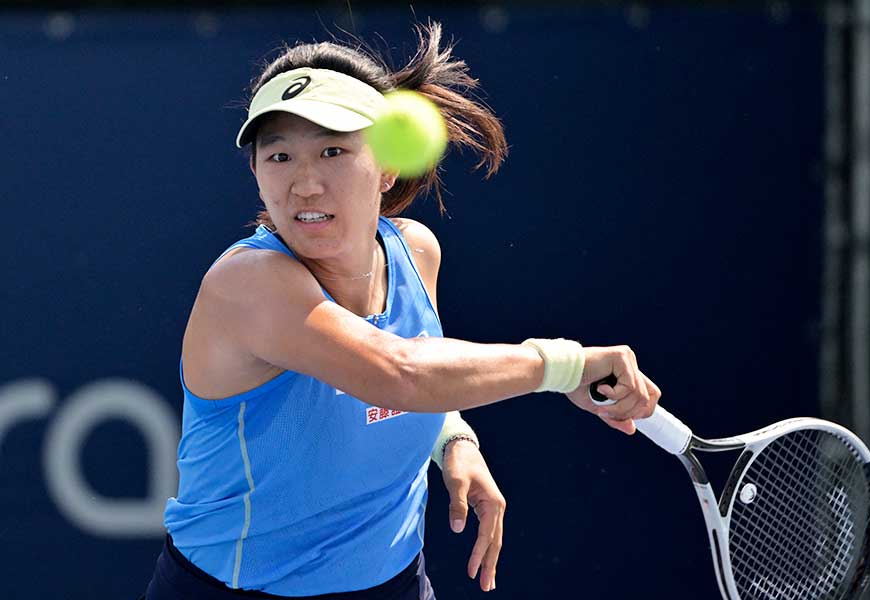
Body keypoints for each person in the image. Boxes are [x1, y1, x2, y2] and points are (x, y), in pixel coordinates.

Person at [141, 21, 660, 600]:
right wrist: (565, 365)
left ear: (386, 167)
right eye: (280, 156)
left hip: (395, 584)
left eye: (333, 150)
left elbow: (419, 361)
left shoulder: (414, 251)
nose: (304, 184)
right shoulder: (248, 284)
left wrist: (452, 437)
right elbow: (398, 374)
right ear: (257, 176)